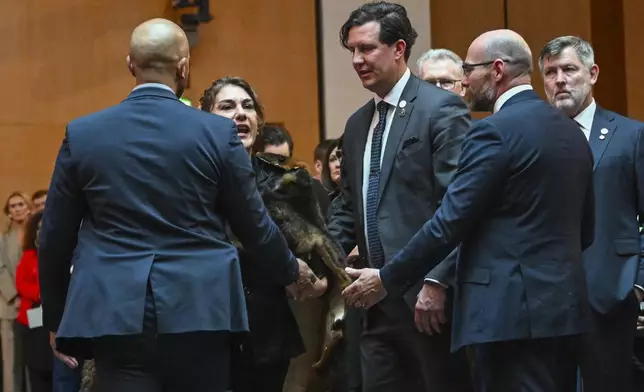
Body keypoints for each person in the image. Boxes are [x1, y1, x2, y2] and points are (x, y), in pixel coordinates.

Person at [38, 18, 314, 392]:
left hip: (114, 314)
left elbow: (54, 236)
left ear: (130, 65)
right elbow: (253, 223)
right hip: (200, 309)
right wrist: (290, 270)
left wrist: (56, 318)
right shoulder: (217, 134)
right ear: (184, 67)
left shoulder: (83, 134)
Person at [343, 29, 594, 392]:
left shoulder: (492, 132)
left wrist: (387, 278)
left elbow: (449, 222)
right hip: (565, 310)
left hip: (505, 315)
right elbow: (587, 228)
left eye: (468, 69)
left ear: (496, 70)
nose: (465, 80)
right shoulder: (572, 132)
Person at [328, 2, 473, 391]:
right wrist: (321, 262)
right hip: (373, 306)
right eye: (352, 51)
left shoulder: (441, 109)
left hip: (426, 301)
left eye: (367, 48)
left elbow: (457, 207)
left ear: (399, 49)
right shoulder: (358, 123)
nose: (357, 60)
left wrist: (437, 281)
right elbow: (347, 206)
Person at [199, 76, 327, 392]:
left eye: (248, 106)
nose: (241, 113)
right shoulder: (191, 177)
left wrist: (315, 279)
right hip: (204, 327)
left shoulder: (287, 181)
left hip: (266, 331)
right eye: (227, 106)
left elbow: (321, 254)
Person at [539, 35, 644, 392]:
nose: (560, 80)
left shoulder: (631, 136)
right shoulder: (531, 139)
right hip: (545, 300)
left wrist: (638, 285)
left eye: (569, 69)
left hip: (612, 295)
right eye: (550, 72)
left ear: (593, 73)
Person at [15, 211, 53, 392]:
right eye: (37, 228)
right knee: (36, 372)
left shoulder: (62, 253)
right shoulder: (28, 255)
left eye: (44, 227)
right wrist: (40, 293)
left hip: (56, 320)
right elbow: (21, 283)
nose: (40, 231)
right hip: (32, 320)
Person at [0, 191, 31, 392]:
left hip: (34, 307)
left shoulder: (37, 236)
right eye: (13, 206)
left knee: (32, 358)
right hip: (9, 305)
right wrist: (15, 296)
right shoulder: (2, 239)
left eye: (21, 204)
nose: (17, 208)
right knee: (10, 360)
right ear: (8, 213)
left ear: (29, 208)